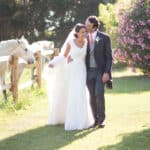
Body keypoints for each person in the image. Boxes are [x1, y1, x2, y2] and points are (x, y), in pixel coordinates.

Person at [45, 23, 94, 131]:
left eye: (85, 32)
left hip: (82, 70)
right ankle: (73, 120)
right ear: (76, 32)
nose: (84, 34)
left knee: (81, 92)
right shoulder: (70, 42)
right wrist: (54, 62)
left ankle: (83, 120)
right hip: (72, 70)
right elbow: (64, 56)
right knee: (73, 93)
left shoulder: (86, 43)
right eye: (82, 32)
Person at [85, 16, 112, 128]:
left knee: (99, 94)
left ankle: (101, 120)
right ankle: (95, 120)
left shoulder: (104, 37)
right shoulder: (83, 37)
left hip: (100, 71)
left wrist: (107, 72)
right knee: (92, 96)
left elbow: (109, 57)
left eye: (88, 25)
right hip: (88, 71)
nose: (85, 27)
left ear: (94, 26)